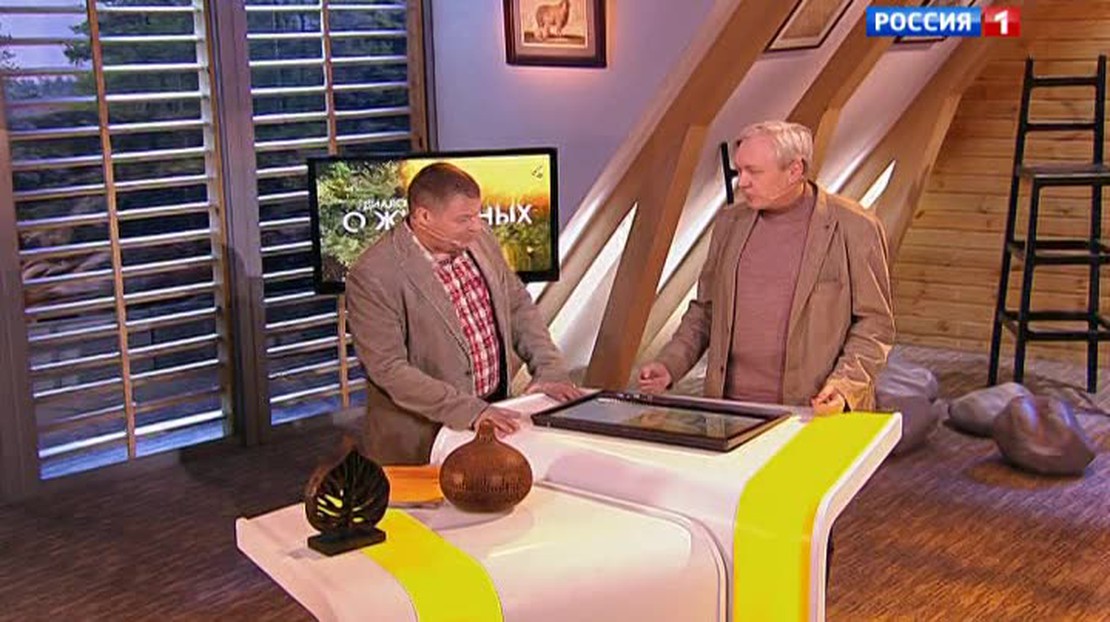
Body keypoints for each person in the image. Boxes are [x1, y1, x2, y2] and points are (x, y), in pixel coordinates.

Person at [638, 120, 895, 415]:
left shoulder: (855, 226)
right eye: (739, 170)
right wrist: (670, 364)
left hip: (813, 411)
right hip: (729, 412)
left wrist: (845, 385)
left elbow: (874, 325)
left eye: (754, 172)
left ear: (795, 170)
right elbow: (705, 310)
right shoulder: (730, 223)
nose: (742, 182)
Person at [346, 162, 581, 464]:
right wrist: (470, 411)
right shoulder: (373, 275)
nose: (477, 226)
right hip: (423, 441)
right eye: (464, 219)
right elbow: (389, 368)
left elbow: (517, 305)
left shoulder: (478, 240)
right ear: (423, 217)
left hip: (495, 418)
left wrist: (549, 368)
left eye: (477, 215)